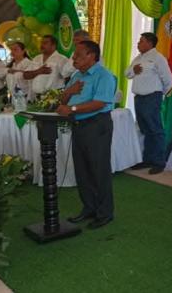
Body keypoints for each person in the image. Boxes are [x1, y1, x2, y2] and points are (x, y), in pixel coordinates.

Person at [57, 40, 117, 229]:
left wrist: (72, 108)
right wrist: (70, 91)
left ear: (91, 56)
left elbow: (100, 103)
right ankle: (89, 208)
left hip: (96, 124)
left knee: (98, 170)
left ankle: (105, 213)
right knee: (82, 170)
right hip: (79, 125)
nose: (73, 58)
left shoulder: (104, 75)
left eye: (78, 55)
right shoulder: (76, 75)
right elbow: (62, 99)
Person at [126, 32, 172, 175]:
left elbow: (168, 80)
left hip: (152, 98)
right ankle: (148, 159)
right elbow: (127, 74)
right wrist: (133, 71)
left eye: (141, 41)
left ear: (150, 43)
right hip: (139, 98)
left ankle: (159, 162)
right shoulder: (137, 58)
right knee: (145, 130)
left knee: (155, 130)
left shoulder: (158, 58)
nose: (138, 43)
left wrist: (158, 94)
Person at [24, 35, 75, 99]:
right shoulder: (36, 58)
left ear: (53, 46)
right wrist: (38, 71)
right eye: (41, 43)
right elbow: (25, 75)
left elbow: (67, 77)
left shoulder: (61, 59)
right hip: (35, 97)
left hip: (53, 98)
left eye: (45, 43)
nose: (42, 45)